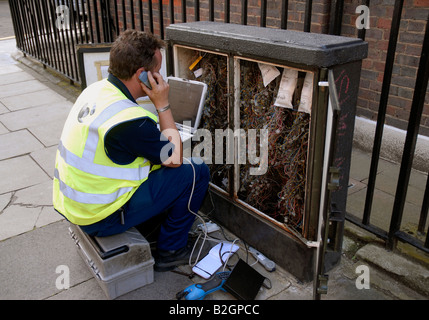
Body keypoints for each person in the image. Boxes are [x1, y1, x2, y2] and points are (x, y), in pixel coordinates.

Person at [53, 29, 210, 271]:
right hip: (101, 217)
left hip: (76, 206)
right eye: (157, 71)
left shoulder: (94, 91)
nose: (160, 77)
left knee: (155, 161)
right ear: (142, 74)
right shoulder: (131, 122)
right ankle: (171, 250)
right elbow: (175, 158)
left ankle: (153, 223)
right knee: (195, 170)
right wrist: (163, 106)